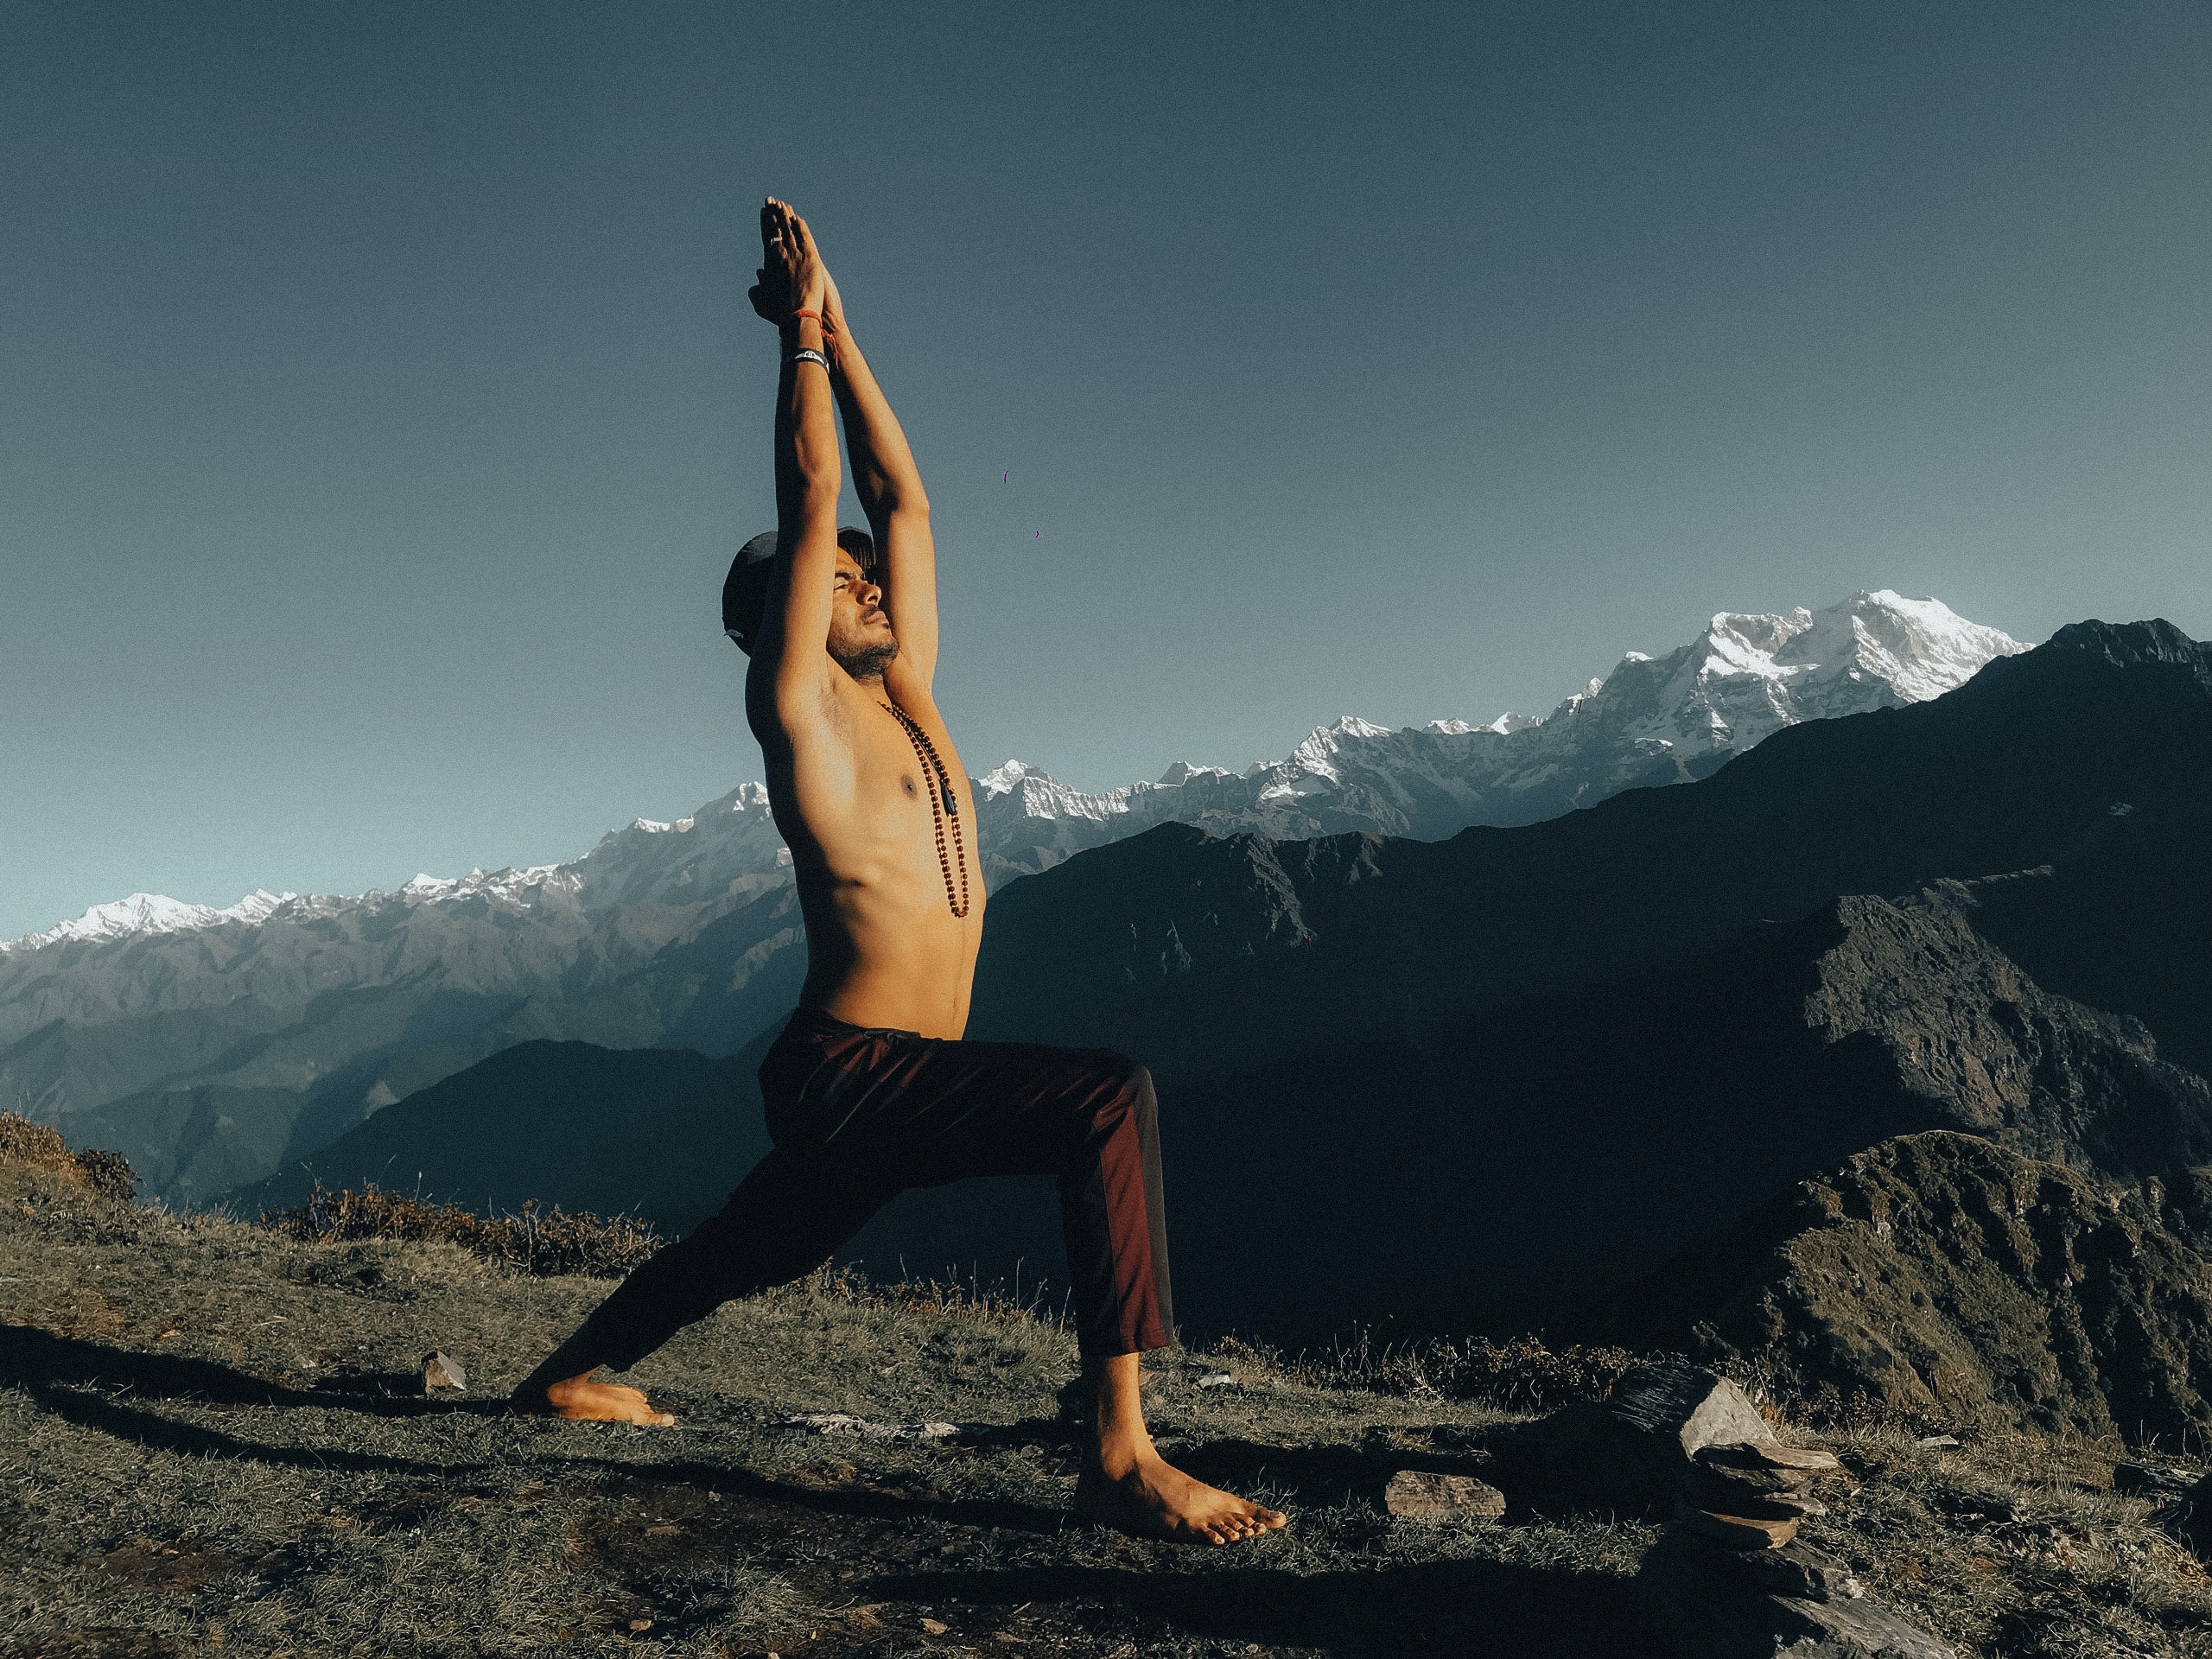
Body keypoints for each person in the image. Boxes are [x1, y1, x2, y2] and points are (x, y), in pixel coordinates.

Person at [513, 199, 1285, 1547]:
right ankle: (1118, 1453)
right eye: (841, 584)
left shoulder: (909, 691)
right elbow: (817, 498)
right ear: (784, 623)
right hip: (852, 1068)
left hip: (893, 1077)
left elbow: (898, 497)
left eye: (871, 581)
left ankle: (567, 1375)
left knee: (755, 1251)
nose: (869, 583)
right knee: (1106, 1099)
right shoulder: (802, 718)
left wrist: (845, 323)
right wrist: (796, 342)